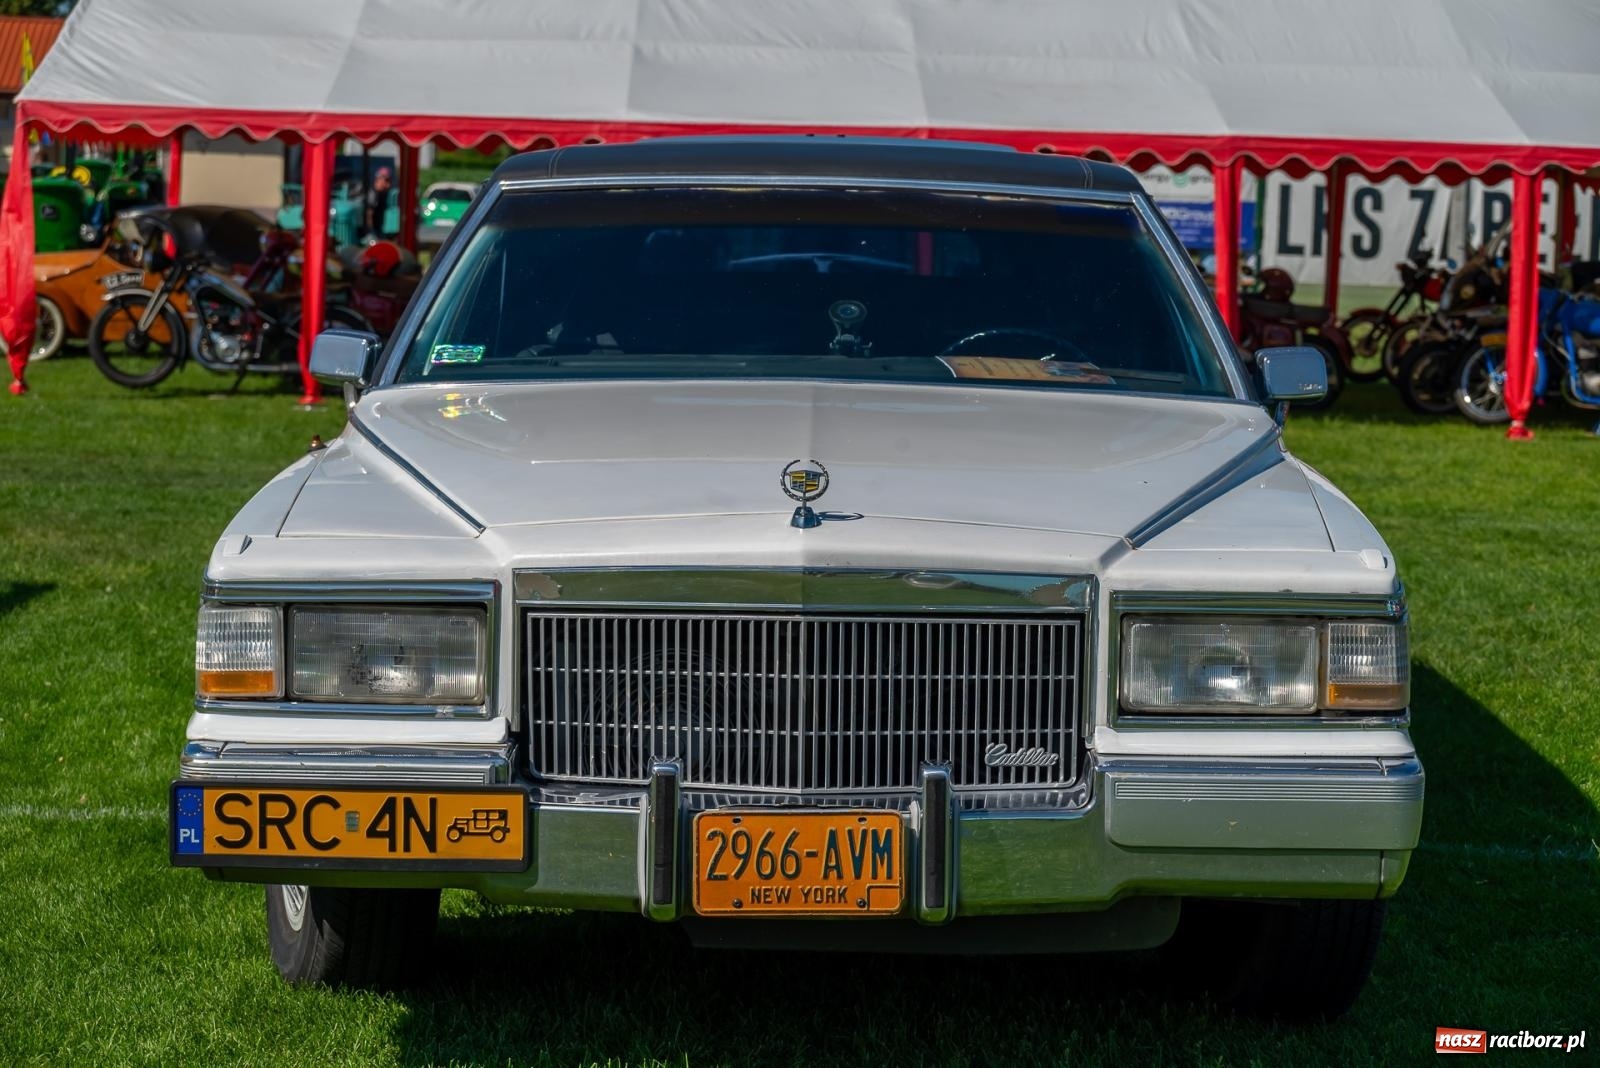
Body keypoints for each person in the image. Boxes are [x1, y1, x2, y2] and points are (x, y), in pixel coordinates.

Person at [364, 165, 393, 239]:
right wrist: (371, 231)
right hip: (375, 232)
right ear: (378, 180)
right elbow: (369, 213)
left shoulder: (385, 194)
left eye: (390, 181)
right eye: (386, 181)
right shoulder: (372, 194)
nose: (388, 185)